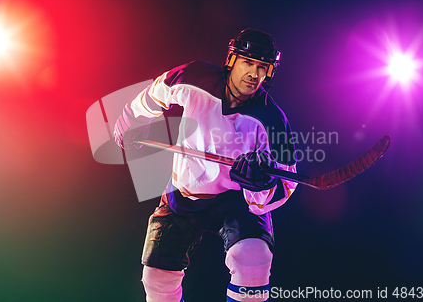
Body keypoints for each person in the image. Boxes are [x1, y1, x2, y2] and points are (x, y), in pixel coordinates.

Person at [114, 29, 298, 302]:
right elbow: (156, 92)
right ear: (231, 60)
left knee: (254, 261)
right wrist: (132, 120)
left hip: (239, 201)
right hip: (185, 193)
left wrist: (261, 186)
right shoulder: (193, 78)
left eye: (262, 67)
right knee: (157, 276)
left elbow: (286, 182)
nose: (254, 74)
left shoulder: (273, 120)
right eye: (248, 62)